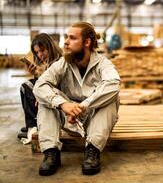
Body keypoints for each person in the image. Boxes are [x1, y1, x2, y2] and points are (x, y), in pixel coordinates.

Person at [33, 22, 120, 176]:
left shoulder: (103, 64)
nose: (66, 42)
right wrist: (63, 104)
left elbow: (114, 84)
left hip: (94, 120)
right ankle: (51, 153)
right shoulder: (63, 63)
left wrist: (83, 106)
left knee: (111, 96)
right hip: (68, 119)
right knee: (46, 97)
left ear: (87, 42)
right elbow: (39, 85)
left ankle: (92, 150)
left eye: (72, 38)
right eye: (67, 37)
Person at [18, 33, 63, 139]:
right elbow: (46, 80)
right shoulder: (50, 61)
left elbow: (61, 85)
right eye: (37, 52)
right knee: (29, 84)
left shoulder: (59, 62)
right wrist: (35, 73)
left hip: (59, 98)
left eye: (42, 51)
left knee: (26, 86)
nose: (40, 55)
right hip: (54, 93)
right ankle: (32, 123)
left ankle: (34, 126)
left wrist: (42, 94)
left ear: (50, 47)